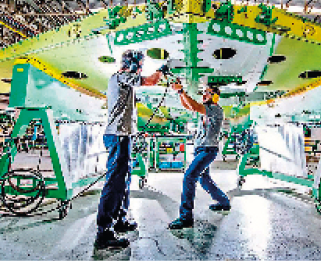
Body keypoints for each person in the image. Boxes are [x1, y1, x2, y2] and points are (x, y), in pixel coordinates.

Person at [95, 50, 167, 249]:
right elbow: (151, 81)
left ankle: (120, 219)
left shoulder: (121, 79)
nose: (141, 68)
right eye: (140, 64)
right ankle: (104, 232)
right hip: (118, 136)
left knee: (125, 180)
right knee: (114, 183)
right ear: (133, 64)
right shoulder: (122, 76)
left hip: (124, 136)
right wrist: (163, 69)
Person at [168, 82, 231, 229]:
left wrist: (182, 90)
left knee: (189, 177)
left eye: (207, 93)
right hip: (200, 149)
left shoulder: (216, 110)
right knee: (204, 179)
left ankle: (186, 217)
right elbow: (188, 106)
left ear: (215, 96)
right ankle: (224, 202)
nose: (204, 95)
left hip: (208, 150)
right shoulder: (205, 110)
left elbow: (195, 106)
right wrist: (179, 93)